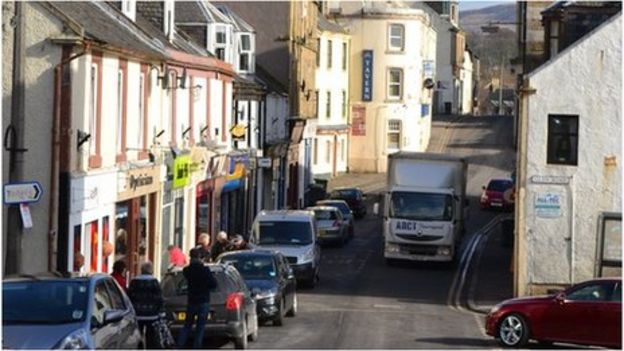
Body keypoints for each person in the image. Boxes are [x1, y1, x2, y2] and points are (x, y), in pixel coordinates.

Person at [177, 248, 218, 349]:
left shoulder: (187, 270)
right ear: (200, 257)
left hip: (192, 301)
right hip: (203, 300)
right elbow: (213, 284)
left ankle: (179, 345)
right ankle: (196, 347)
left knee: (187, 325)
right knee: (200, 327)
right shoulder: (205, 270)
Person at [127, 261, 168, 349]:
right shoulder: (154, 281)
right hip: (152, 315)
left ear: (141, 270)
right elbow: (159, 298)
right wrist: (161, 311)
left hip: (137, 314)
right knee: (151, 338)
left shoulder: (134, 281)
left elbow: (129, 297)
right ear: (151, 271)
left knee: (137, 336)